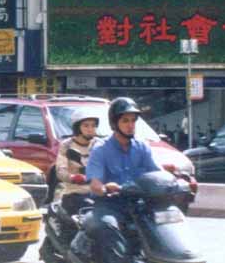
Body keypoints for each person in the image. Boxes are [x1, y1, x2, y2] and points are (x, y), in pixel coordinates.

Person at [86, 97, 161, 263]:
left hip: (138, 205)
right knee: (108, 226)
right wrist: (105, 188)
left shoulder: (142, 147)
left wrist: (174, 180)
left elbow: (156, 173)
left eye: (133, 120)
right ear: (114, 123)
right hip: (109, 205)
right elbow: (95, 184)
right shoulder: (101, 149)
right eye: (125, 120)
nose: (130, 125)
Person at [55, 108, 99, 214]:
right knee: (89, 211)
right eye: (86, 126)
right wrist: (73, 177)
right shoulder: (67, 145)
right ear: (77, 127)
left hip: (98, 192)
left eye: (93, 125)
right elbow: (60, 171)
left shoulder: (99, 144)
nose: (90, 129)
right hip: (75, 193)